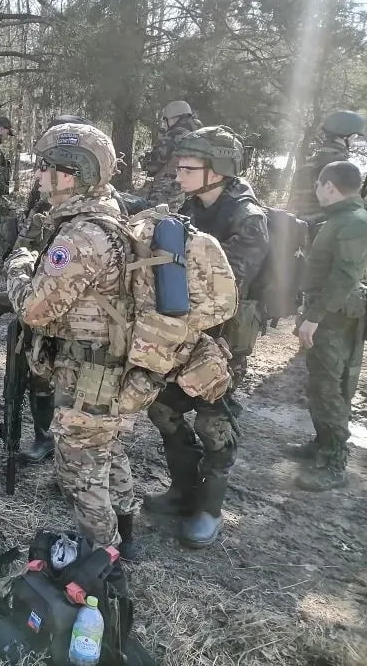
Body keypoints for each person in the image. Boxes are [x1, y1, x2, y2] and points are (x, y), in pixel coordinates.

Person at [4, 122, 137, 557]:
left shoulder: (81, 235)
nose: (38, 176)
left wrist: (18, 264)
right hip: (107, 364)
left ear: (70, 174)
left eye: (45, 167)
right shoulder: (108, 213)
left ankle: (103, 560)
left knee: (79, 469)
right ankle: (126, 532)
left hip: (88, 372)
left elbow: (35, 309)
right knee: (108, 451)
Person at [143, 126, 268, 549]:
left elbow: (223, 285)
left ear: (218, 170)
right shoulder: (192, 206)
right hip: (185, 330)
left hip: (223, 339)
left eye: (188, 168)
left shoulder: (247, 219)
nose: (178, 174)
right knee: (162, 407)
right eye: (179, 167)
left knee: (214, 421)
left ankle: (209, 508)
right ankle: (183, 490)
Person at [289, 160, 367, 491]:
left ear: (330, 187)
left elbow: (345, 276)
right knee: (320, 382)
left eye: (319, 185)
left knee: (329, 388)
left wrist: (314, 318)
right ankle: (322, 443)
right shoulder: (341, 219)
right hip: (328, 313)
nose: (316, 190)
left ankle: (334, 463)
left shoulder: (353, 222)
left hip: (334, 317)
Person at [288, 111, 365, 224]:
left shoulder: (308, 163)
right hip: (328, 229)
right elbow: (352, 207)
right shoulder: (343, 167)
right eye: (355, 137)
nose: (354, 140)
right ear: (348, 137)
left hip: (300, 227)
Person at [138, 100, 203, 211]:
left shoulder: (173, 135)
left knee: (155, 218)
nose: (166, 123)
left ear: (174, 118)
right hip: (187, 188)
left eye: (167, 120)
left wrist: (145, 160)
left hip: (166, 188)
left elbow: (153, 166)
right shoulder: (195, 136)